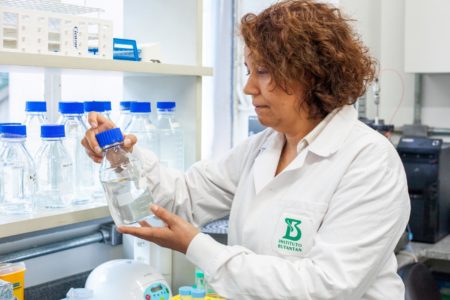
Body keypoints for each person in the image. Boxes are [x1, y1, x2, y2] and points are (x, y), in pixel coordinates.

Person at [82, 0, 410, 299]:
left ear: (310, 74)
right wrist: (120, 155)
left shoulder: (369, 161)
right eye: (249, 71)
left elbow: (324, 287)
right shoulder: (262, 147)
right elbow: (183, 198)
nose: (248, 87)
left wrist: (197, 247)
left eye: (263, 72)